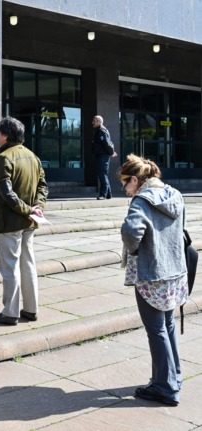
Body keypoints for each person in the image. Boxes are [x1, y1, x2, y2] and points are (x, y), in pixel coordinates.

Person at [120, 154, 188, 407]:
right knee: (168, 325)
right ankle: (173, 377)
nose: (124, 189)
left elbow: (131, 231)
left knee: (156, 329)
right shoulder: (175, 194)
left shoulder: (141, 200)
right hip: (175, 272)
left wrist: (135, 250)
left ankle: (165, 387)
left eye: (125, 183)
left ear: (136, 180)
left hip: (151, 273)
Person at [0, 117, 48, 325]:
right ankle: (31, 309)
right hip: (29, 222)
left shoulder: (3, 157)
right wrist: (37, 208)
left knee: (9, 267)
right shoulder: (33, 157)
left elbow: (6, 193)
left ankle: (10, 312)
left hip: (9, 221)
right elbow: (43, 186)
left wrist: (27, 209)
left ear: (5, 135)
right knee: (28, 264)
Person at [92, 115, 117, 199]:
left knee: (102, 174)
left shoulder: (102, 131)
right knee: (103, 174)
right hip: (101, 155)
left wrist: (112, 152)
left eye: (94, 121)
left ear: (99, 121)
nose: (93, 122)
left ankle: (103, 194)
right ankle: (108, 194)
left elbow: (106, 143)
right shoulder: (99, 130)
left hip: (103, 156)